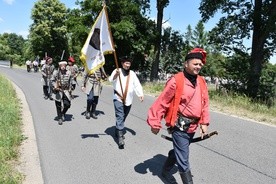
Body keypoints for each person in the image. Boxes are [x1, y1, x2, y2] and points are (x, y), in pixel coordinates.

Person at [147, 48, 210, 184]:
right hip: (179, 125)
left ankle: (165, 169)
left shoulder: (202, 81)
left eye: (200, 64)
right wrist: (155, 122)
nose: (198, 67)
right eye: (195, 64)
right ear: (186, 64)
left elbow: (205, 103)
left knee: (179, 151)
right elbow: (162, 102)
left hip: (193, 126)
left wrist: (204, 122)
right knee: (184, 158)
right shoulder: (176, 80)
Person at [109, 56, 144, 149]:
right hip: (118, 98)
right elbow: (110, 79)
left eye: (129, 63)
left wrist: (140, 94)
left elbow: (137, 84)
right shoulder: (117, 71)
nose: (128, 65)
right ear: (122, 63)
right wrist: (116, 75)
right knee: (120, 115)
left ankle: (117, 130)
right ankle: (120, 138)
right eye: (126, 63)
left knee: (124, 116)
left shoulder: (132, 74)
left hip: (128, 99)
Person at [52, 61, 73, 125]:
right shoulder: (56, 72)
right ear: (60, 66)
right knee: (58, 105)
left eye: (64, 66)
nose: (63, 67)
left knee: (67, 104)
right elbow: (52, 80)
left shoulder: (69, 72)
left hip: (66, 90)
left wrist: (70, 89)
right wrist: (55, 86)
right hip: (58, 90)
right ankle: (60, 118)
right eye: (61, 66)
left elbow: (70, 81)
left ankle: (63, 113)